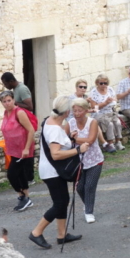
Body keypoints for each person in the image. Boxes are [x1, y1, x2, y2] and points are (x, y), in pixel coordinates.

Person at [29, 96, 89, 249]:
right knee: (60, 203)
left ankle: (61, 235)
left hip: (50, 169)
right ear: (67, 112)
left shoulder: (49, 121)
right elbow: (55, 154)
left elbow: (55, 143)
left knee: (63, 201)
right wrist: (77, 150)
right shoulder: (55, 129)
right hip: (52, 171)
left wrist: (69, 138)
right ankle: (36, 232)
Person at [67, 98, 104, 224]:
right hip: (78, 161)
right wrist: (71, 139)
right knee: (79, 187)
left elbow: (91, 140)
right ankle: (88, 204)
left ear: (86, 110)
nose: (76, 113)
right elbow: (66, 140)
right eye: (75, 110)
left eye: (79, 110)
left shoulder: (92, 122)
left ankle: (89, 212)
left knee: (89, 186)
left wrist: (74, 140)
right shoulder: (70, 123)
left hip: (94, 159)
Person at [0, 91, 35, 212]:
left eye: (9, 100)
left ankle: (22, 195)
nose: (7, 103)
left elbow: (31, 130)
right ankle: (26, 197)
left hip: (22, 149)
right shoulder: (6, 113)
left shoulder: (19, 112)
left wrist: (26, 148)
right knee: (19, 174)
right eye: (4, 101)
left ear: (13, 100)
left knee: (12, 174)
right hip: (13, 149)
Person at [67, 79, 109, 148]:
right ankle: (103, 142)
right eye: (81, 87)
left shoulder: (85, 96)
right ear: (76, 87)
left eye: (85, 87)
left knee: (94, 124)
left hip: (82, 117)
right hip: (73, 117)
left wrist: (92, 110)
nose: (83, 89)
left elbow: (86, 110)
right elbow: (74, 111)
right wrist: (85, 102)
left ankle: (102, 143)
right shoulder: (72, 98)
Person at [89, 74, 124, 152]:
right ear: (97, 83)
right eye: (101, 83)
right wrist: (105, 103)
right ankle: (110, 143)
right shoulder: (93, 92)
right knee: (109, 124)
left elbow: (115, 99)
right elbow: (94, 108)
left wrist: (113, 101)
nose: (104, 85)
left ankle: (118, 142)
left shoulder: (110, 89)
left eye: (105, 83)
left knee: (118, 122)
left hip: (110, 111)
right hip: (99, 113)